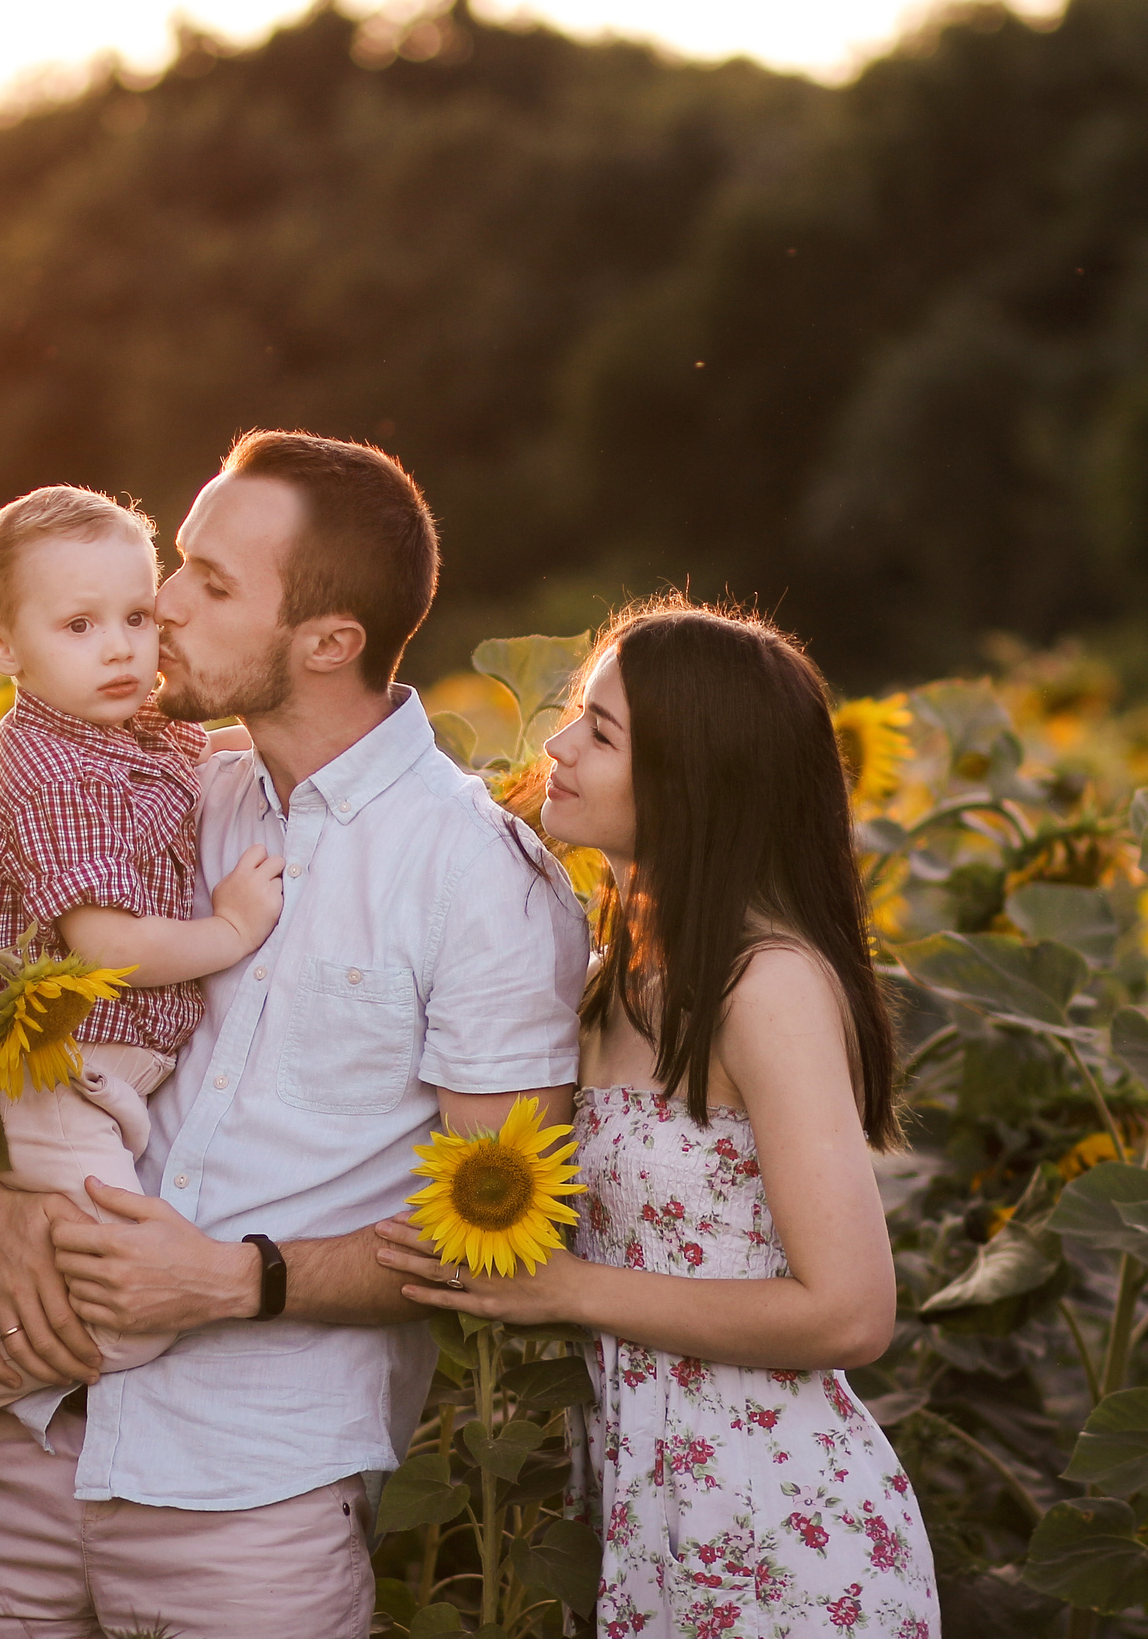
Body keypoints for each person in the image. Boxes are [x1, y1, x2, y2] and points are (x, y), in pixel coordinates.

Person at [0, 431, 591, 1637]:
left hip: (249, 1499)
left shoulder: (483, 880)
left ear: (327, 642)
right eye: (179, 561)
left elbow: (494, 1240)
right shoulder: (165, 787)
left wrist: (238, 1279)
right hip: (26, 1442)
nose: (160, 606)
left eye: (212, 585)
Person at [377, 601, 941, 1635]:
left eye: (600, 731)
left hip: (783, 1537)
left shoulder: (762, 987)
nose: (557, 748)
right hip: (653, 1517)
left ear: (694, 776)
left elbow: (849, 1313)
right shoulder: (608, 982)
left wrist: (569, 1291)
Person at [0, 485, 286, 1407]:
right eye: (78, 625)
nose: (119, 648)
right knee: (126, 1312)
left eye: (137, 616)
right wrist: (230, 929)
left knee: (53, 1270)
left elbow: (212, 748)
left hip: (95, 1079)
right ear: (1, 649)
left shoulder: (125, 726)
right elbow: (104, 946)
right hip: (41, 1077)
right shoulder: (55, 772)